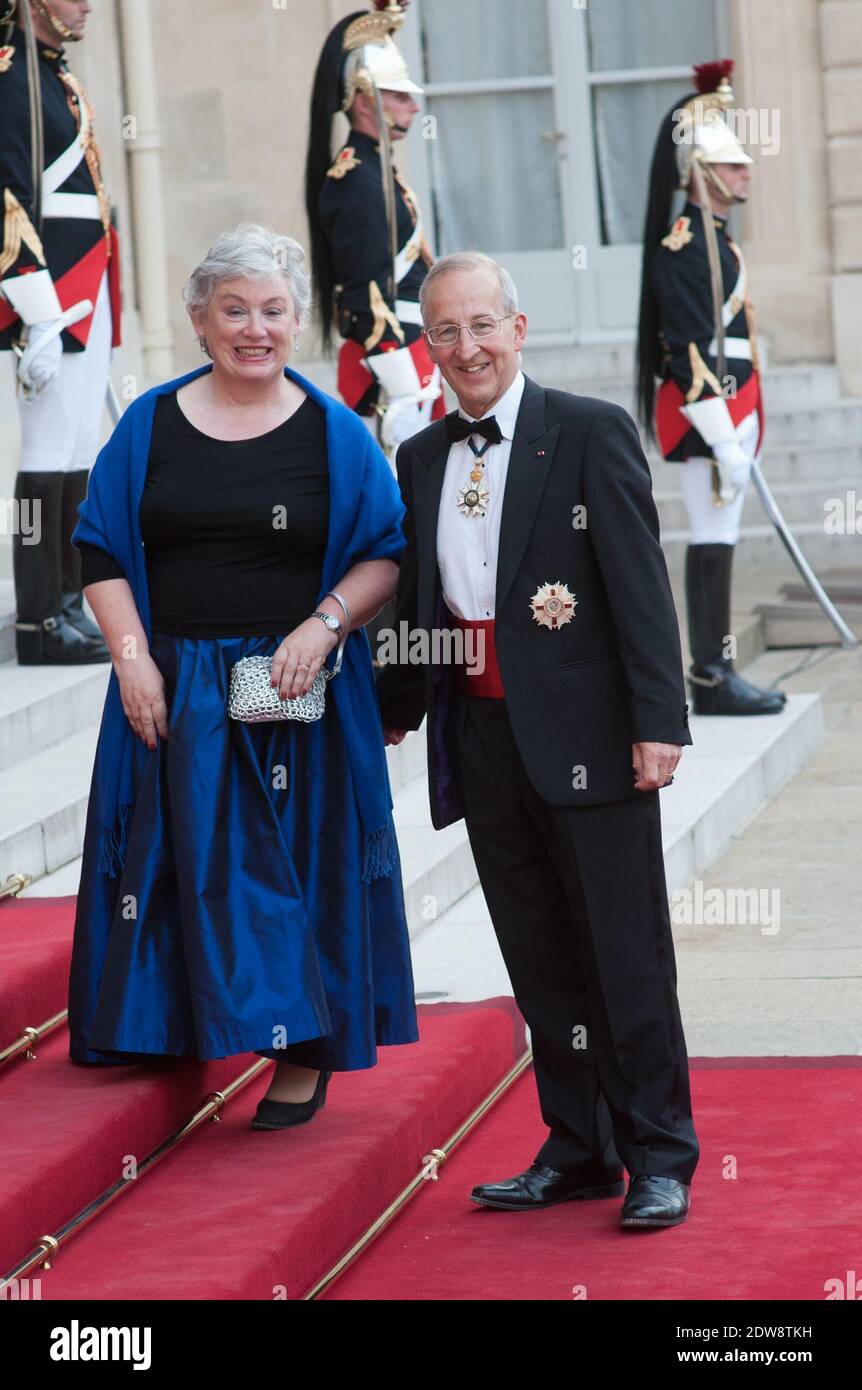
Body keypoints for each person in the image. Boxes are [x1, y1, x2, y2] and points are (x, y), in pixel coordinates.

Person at [67, 223, 418, 1130]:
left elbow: (384, 553)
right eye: (234, 310)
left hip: (290, 679)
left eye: (272, 311)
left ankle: (302, 1051)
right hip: (174, 679)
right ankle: (162, 1021)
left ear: (298, 322)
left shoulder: (338, 434)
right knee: (175, 861)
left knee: (291, 869)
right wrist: (133, 659)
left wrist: (326, 623)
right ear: (199, 319)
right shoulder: (147, 424)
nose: (253, 328)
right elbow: (100, 548)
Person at [377, 251, 699, 1229]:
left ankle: (657, 1151)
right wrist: (394, 703)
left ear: (518, 330)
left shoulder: (589, 432)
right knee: (538, 954)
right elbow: (423, 599)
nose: (465, 347)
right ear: (426, 346)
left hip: (593, 738)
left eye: (481, 326)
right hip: (483, 735)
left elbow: (641, 591)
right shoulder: (422, 456)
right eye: (444, 331)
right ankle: (578, 1143)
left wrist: (657, 723)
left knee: (621, 950)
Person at [636, 59, 785, 715]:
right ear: (701, 171)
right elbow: (689, 351)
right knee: (711, 531)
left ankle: (714, 669)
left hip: (733, 405)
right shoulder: (685, 245)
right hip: (707, 412)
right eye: (731, 165)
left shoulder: (716, 241)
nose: (744, 171)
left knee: (720, 533)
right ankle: (710, 673)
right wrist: (723, 435)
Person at [0, 0, 120, 665]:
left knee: (77, 447)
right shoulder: (10, 75)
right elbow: (7, 199)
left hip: (86, 284)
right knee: (45, 453)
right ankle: (39, 623)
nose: (88, 5)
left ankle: (69, 606)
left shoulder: (56, 75)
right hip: (50, 292)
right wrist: (36, 307)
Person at [305, 0, 444, 460]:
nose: (413, 105)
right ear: (365, 100)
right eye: (399, 96)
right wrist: (396, 362)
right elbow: (364, 286)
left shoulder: (373, 170)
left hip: (411, 340)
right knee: (403, 476)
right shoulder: (356, 179)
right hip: (393, 349)